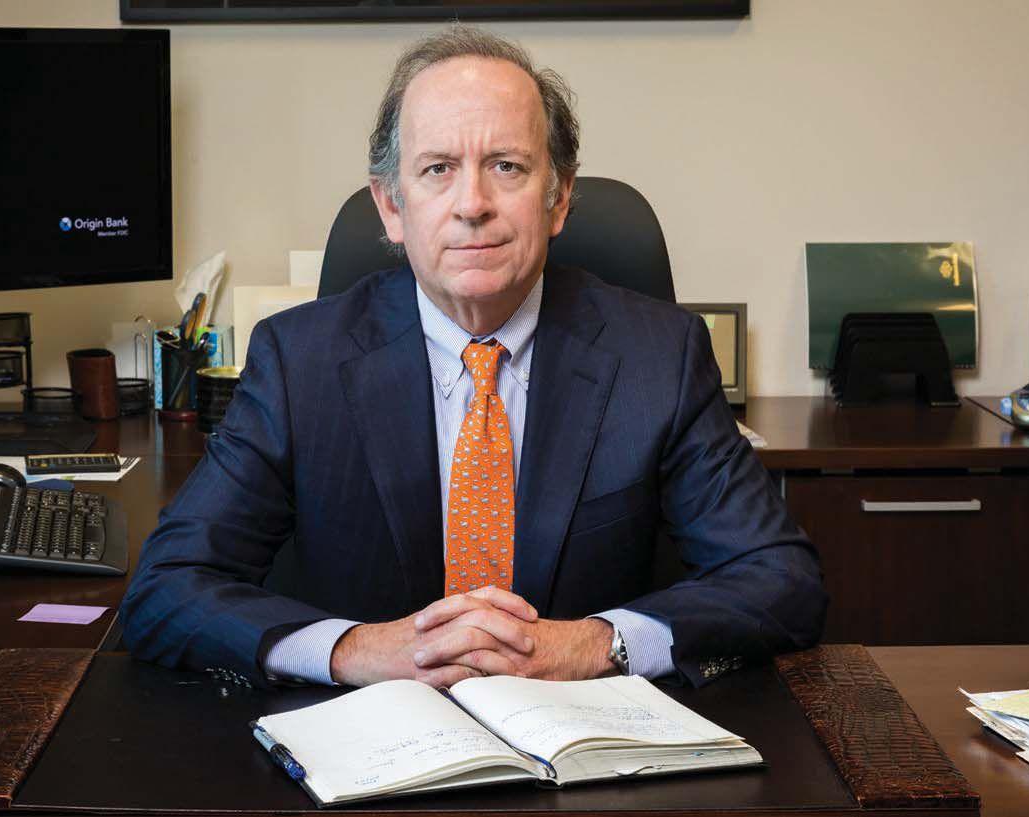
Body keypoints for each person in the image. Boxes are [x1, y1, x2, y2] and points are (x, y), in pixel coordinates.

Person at [119, 26, 825, 689]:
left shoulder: (658, 356)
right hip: (369, 740)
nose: (472, 204)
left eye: (506, 166)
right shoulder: (297, 362)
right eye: (437, 169)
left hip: (584, 735)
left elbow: (780, 579)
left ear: (559, 198)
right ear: (391, 207)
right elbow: (166, 588)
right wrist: (358, 651)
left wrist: (593, 645)